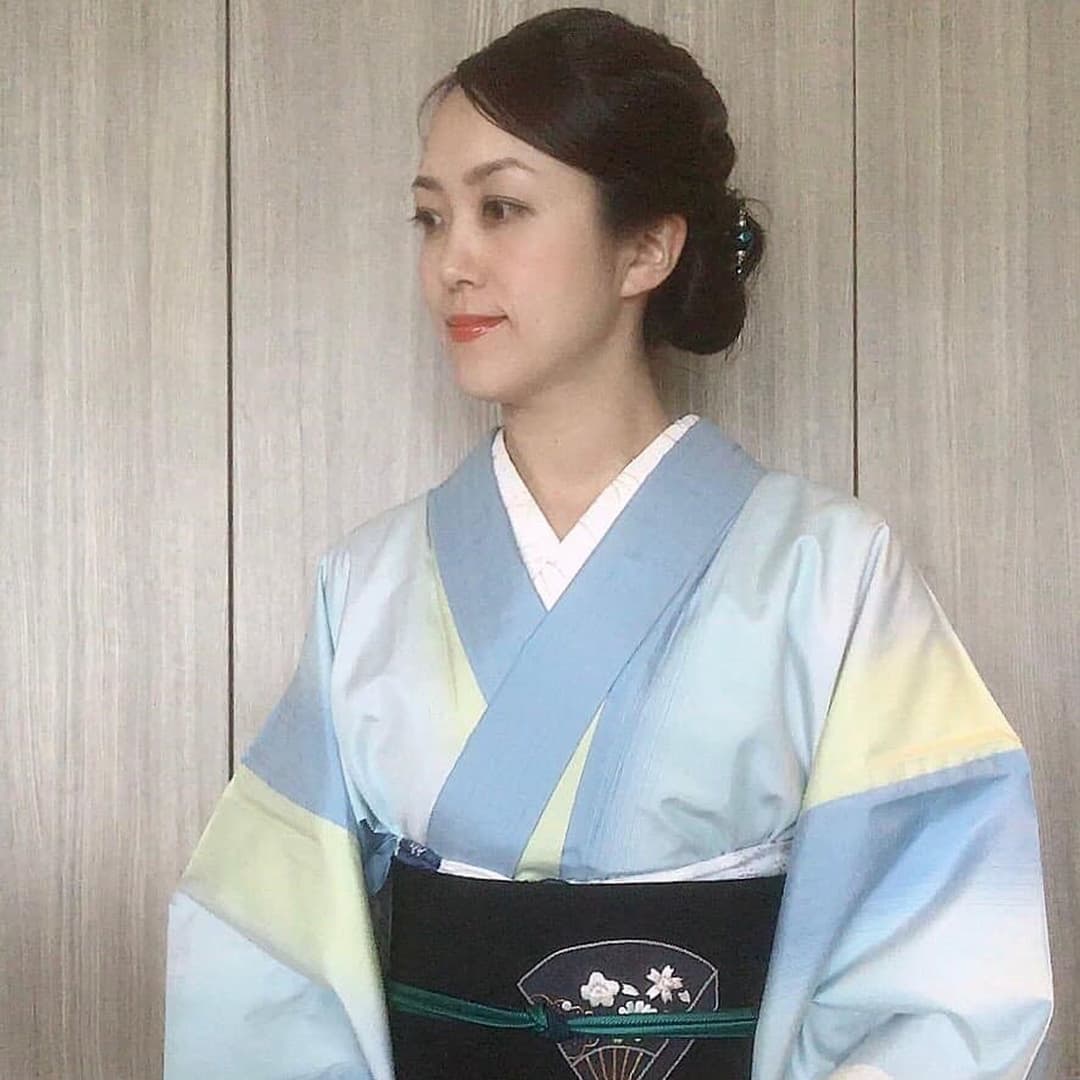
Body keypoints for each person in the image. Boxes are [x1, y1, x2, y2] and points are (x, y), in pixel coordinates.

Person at [164, 8, 1053, 1079]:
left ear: (646, 247)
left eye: (501, 209)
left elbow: (940, 959)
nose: (452, 263)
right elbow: (267, 960)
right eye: (431, 218)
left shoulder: (831, 572)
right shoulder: (368, 582)